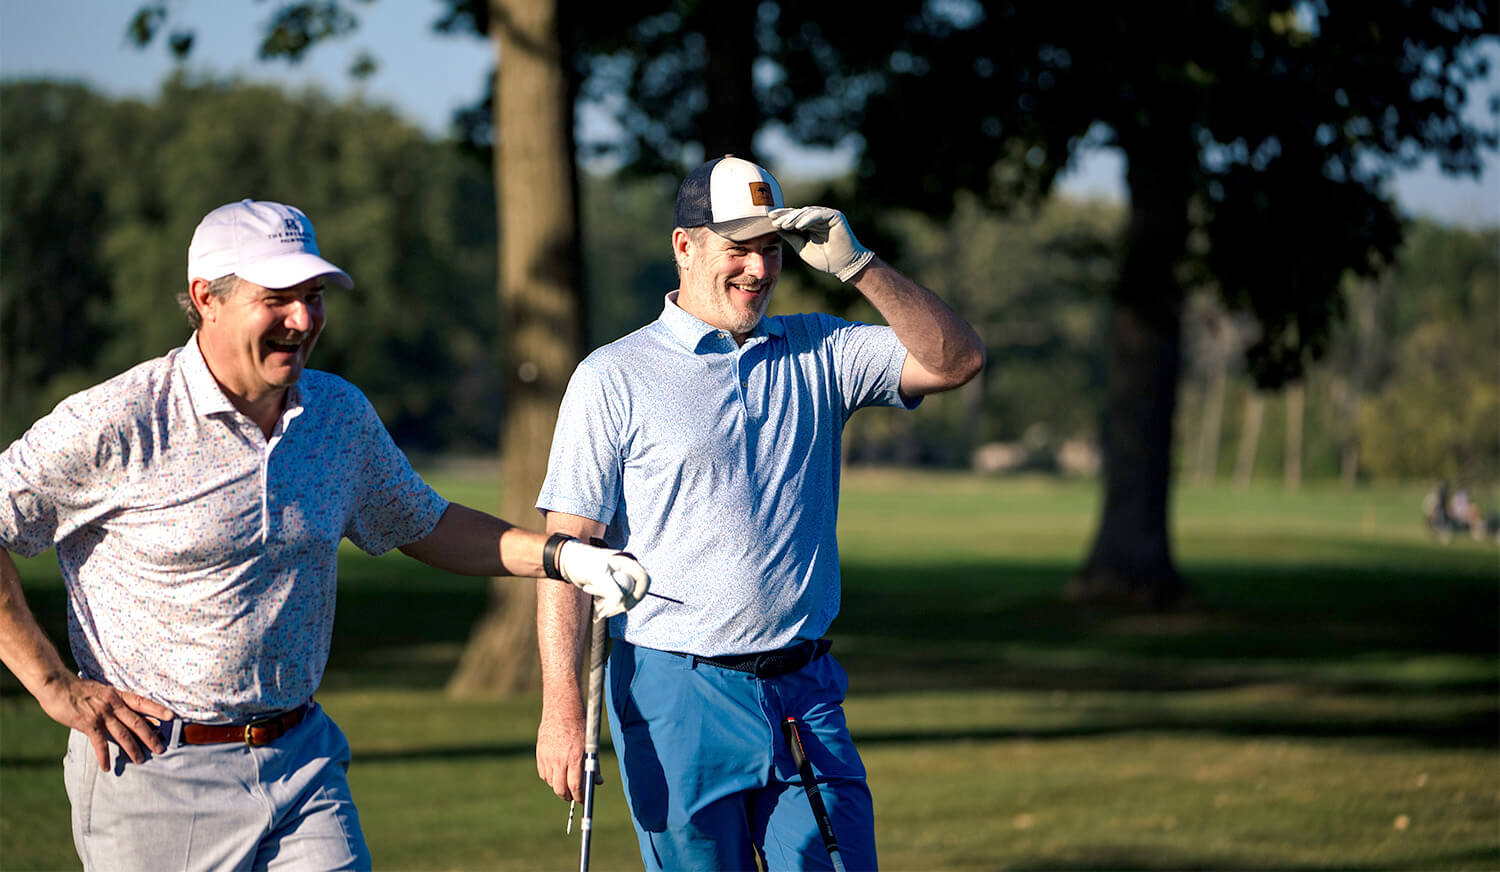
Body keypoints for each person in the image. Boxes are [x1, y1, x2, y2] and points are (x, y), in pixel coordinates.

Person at [0, 199, 650, 872]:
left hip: (301, 760)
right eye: (277, 299)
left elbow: (426, 523)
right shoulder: (120, 420)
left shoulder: (336, 413)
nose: (304, 320)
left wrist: (563, 557)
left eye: (313, 297)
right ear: (206, 299)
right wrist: (53, 686)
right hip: (156, 774)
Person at [533, 155, 985, 871]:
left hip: (804, 692)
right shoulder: (613, 375)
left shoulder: (820, 348)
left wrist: (860, 266)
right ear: (685, 246)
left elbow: (956, 361)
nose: (758, 268)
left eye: (771, 248)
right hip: (675, 691)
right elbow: (567, 549)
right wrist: (562, 711)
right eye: (738, 247)